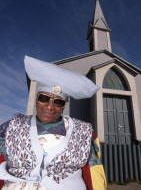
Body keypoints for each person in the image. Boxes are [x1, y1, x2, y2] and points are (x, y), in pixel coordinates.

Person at [0, 56, 107, 190]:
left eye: (58, 102)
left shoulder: (83, 131)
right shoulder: (11, 127)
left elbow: (93, 172)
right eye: (44, 98)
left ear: (63, 106)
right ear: (36, 99)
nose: (50, 107)